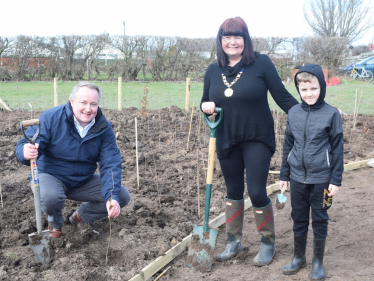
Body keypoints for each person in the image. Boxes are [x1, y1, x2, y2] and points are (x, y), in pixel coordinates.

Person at [200, 17, 298, 266]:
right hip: (226, 138)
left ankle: (267, 242)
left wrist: (315, 113)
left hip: (257, 137)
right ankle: (233, 241)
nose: (232, 42)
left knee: (255, 191)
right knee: (233, 192)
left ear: (246, 40)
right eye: (227, 37)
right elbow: (205, 105)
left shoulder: (260, 63)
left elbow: (283, 97)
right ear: (220, 41)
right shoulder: (213, 71)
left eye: (238, 36)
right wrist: (206, 108)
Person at [16, 81, 131, 238]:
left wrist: (112, 198)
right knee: (51, 197)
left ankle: (81, 216)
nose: (88, 109)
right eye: (83, 102)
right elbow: (27, 143)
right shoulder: (51, 118)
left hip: (82, 180)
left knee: (121, 196)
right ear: (72, 101)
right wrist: (24, 152)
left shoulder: (104, 128)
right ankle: (55, 225)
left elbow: (110, 163)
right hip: (50, 176)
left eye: (93, 104)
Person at [279, 64, 343, 280]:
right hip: (297, 177)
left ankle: (317, 261)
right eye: (304, 89)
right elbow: (288, 145)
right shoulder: (294, 112)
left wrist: (335, 179)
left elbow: (337, 149)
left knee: (320, 218)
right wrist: (283, 175)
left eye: (313, 88)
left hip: (322, 179)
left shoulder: (331, 114)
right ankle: (299, 257)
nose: (309, 94)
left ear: (321, 87)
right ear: (298, 90)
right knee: (298, 217)